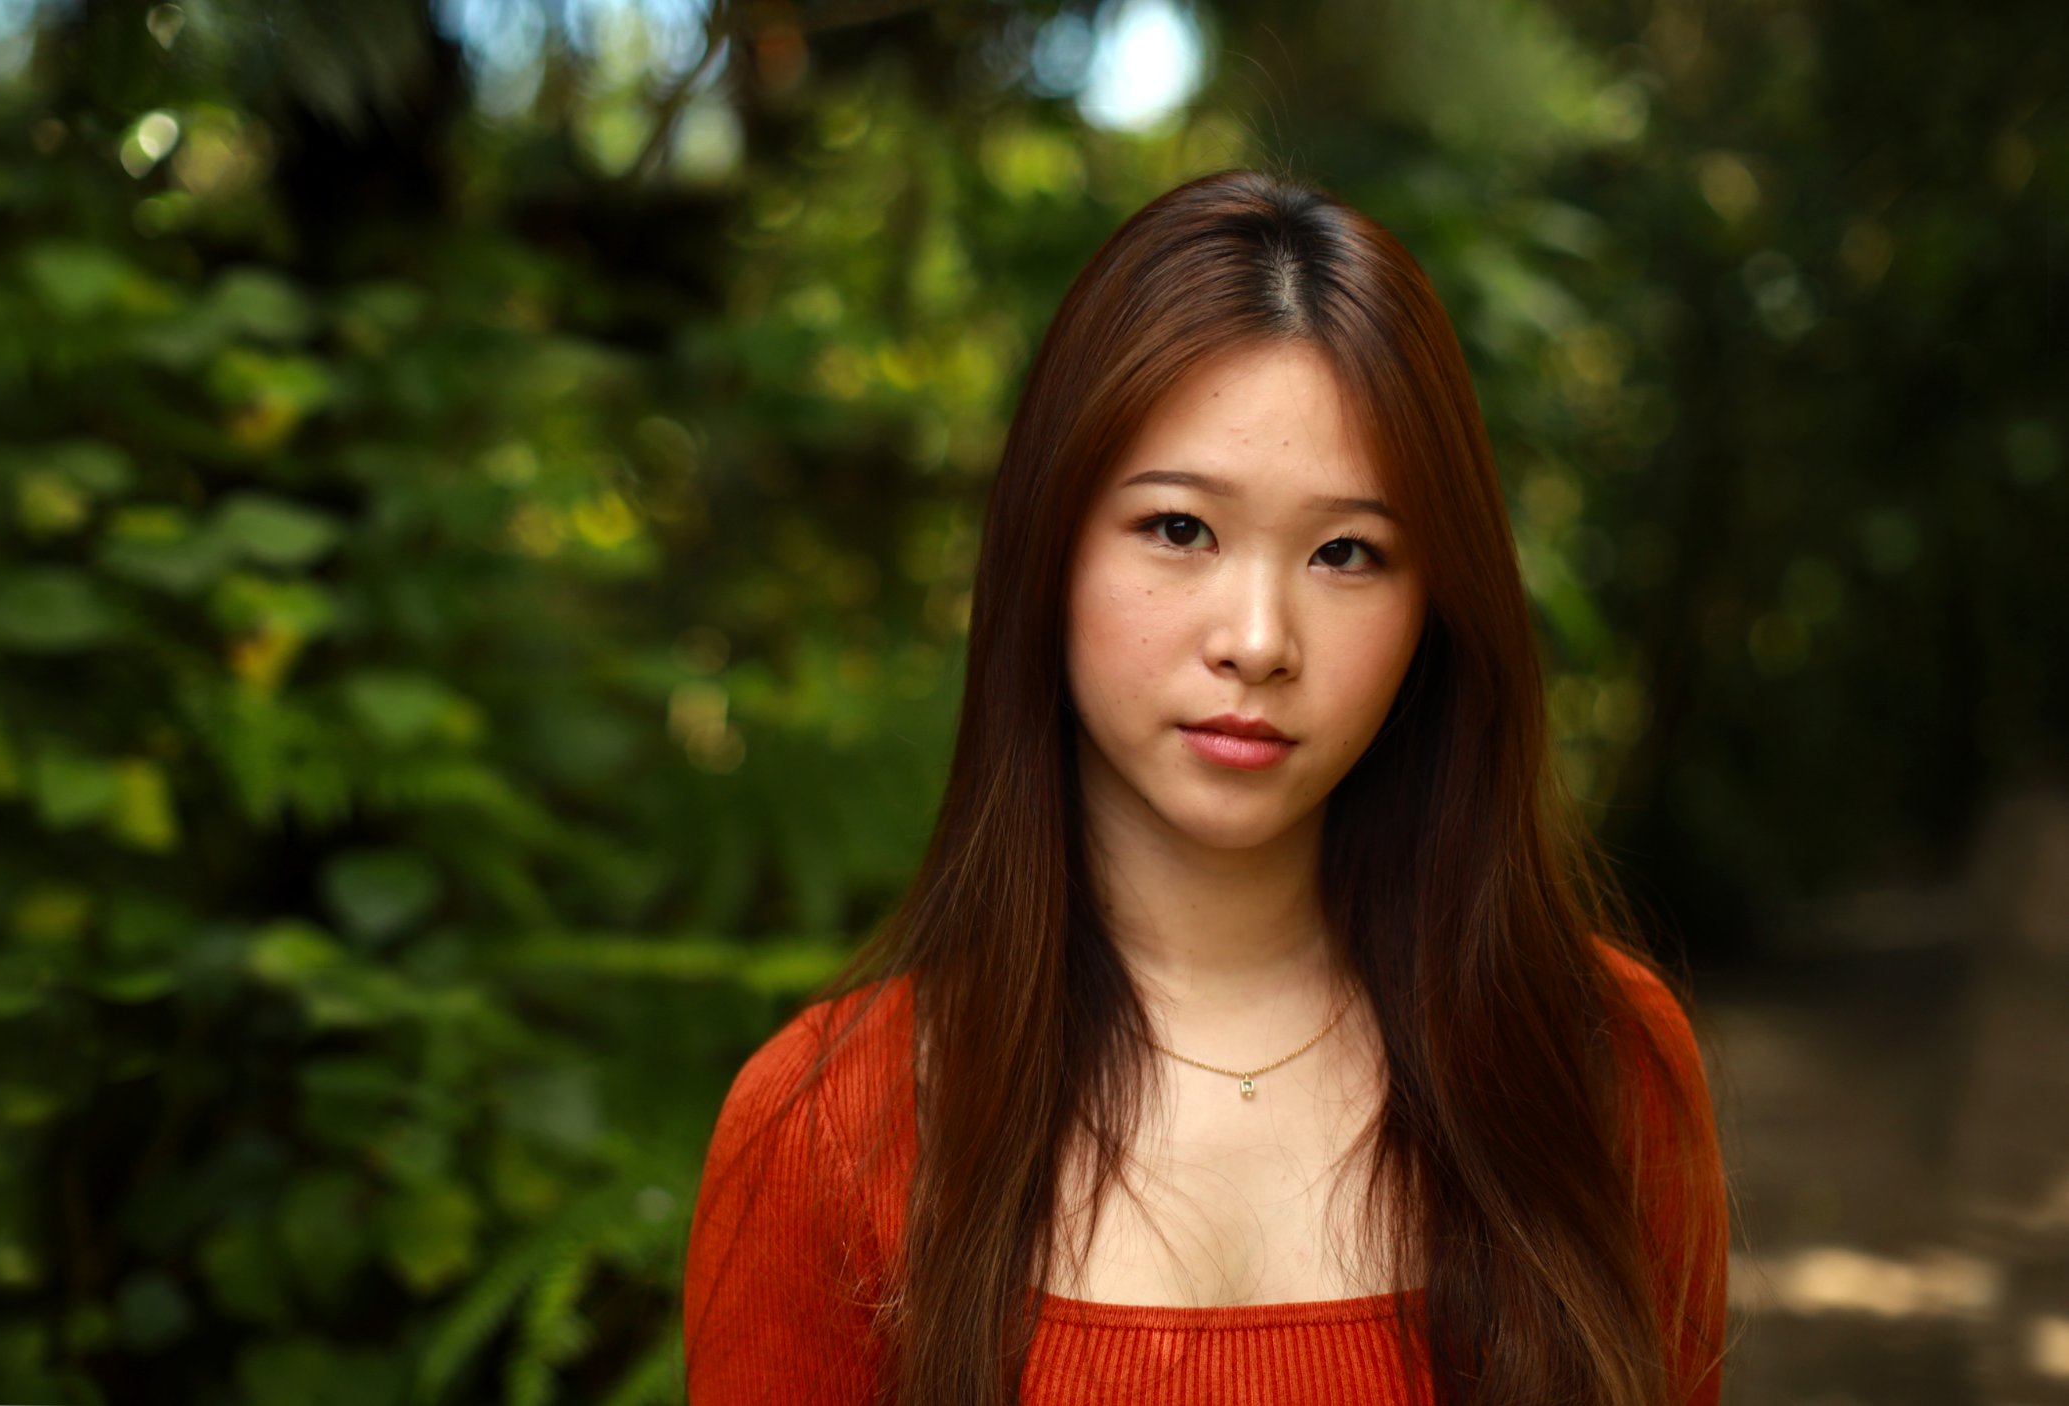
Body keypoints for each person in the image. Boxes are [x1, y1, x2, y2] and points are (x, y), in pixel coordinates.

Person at [680, 167, 1731, 1406]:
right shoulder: (826, 1128)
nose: (1257, 637)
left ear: (1434, 610)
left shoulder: (1592, 1060)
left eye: (1347, 551)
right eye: (1180, 528)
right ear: (1048, 544)